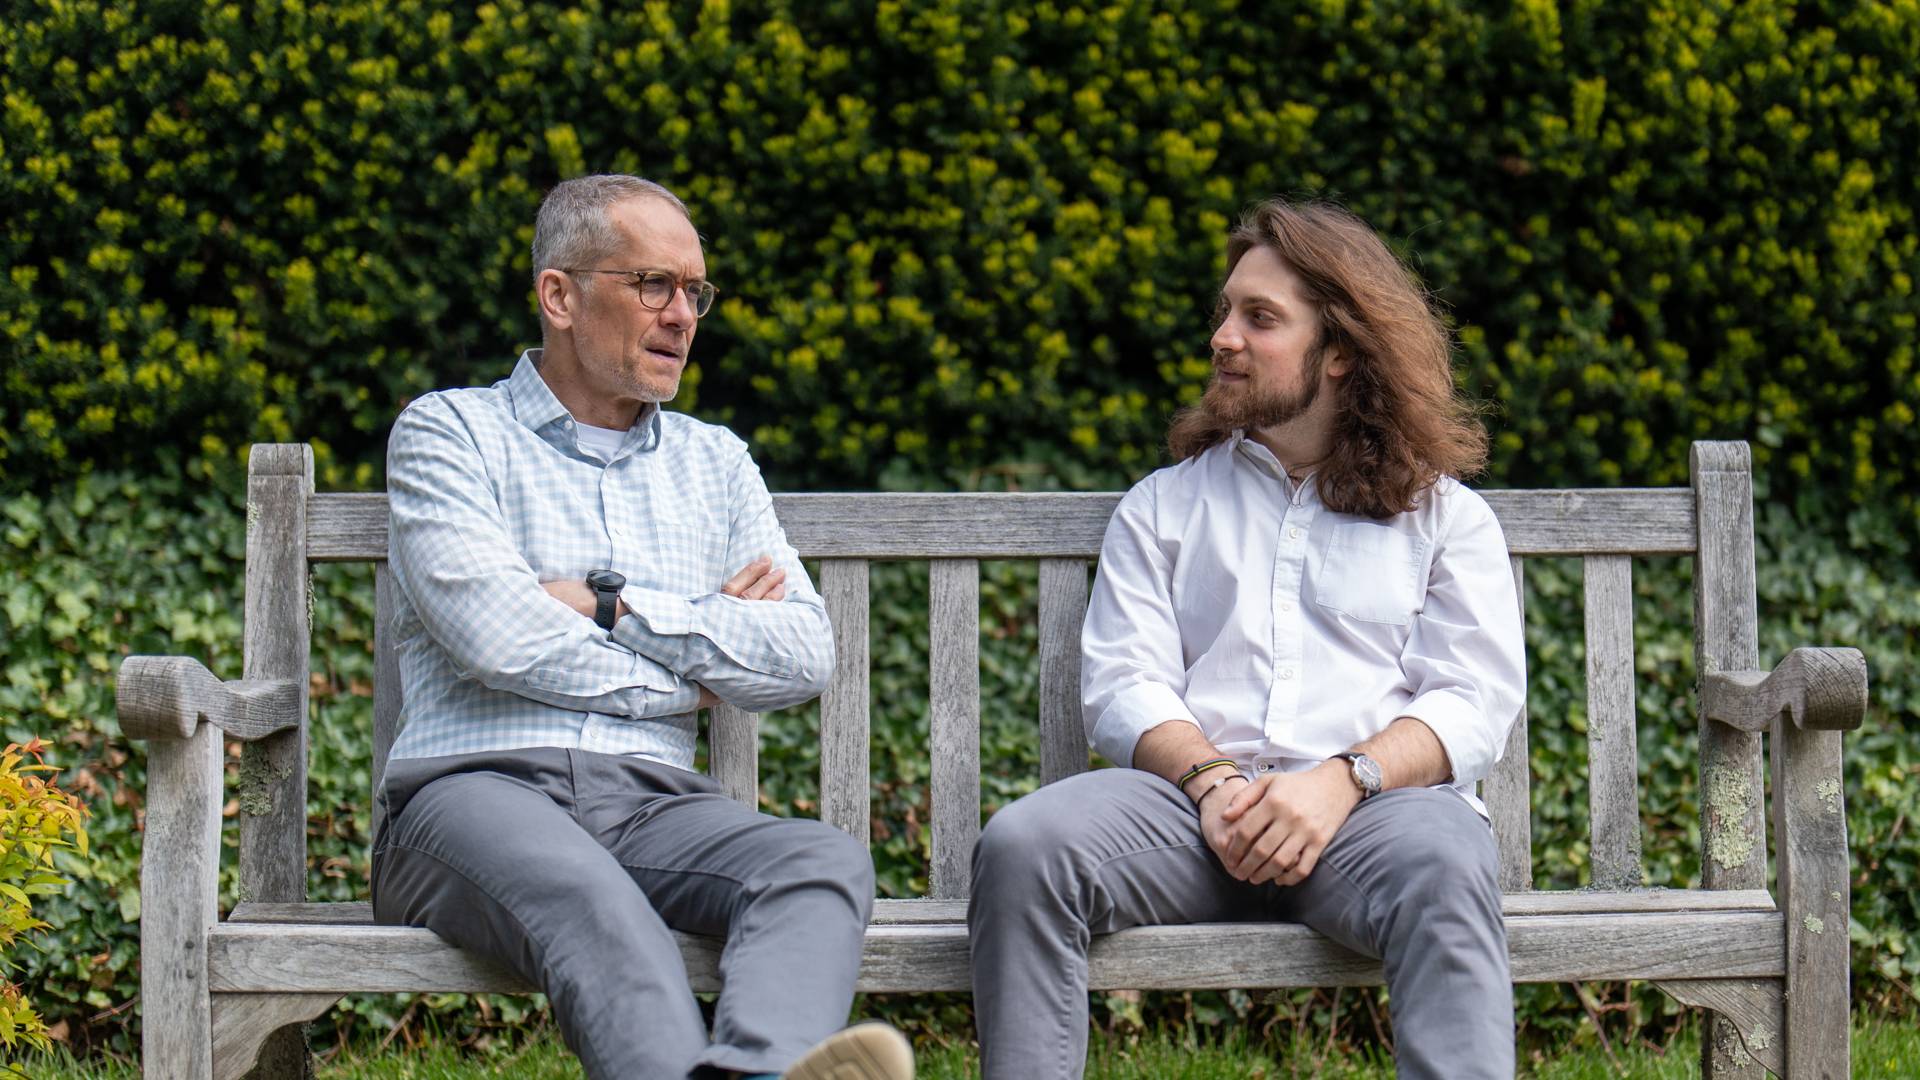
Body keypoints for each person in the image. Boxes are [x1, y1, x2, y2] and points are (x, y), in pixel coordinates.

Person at [967, 198, 1526, 1079]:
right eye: (1227, 311)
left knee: (1449, 862)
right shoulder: (1166, 504)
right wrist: (1215, 782)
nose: (1223, 337)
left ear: (1341, 350)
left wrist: (1340, 783)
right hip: (1193, 823)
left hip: (1372, 821)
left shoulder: (1444, 518)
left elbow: (1473, 700)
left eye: (1260, 318)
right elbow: (1124, 685)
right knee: (1025, 846)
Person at [373, 174, 913, 1080]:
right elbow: (496, 636)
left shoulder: (716, 463)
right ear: (559, 296)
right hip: (472, 797)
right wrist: (689, 669)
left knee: (816, 863)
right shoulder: (450, 432)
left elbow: (803, 653)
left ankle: (756, 1071)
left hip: (653, 804)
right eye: (652, 285)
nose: (683, 315)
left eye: (696, 292)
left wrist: (612, 605)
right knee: (597, 903)